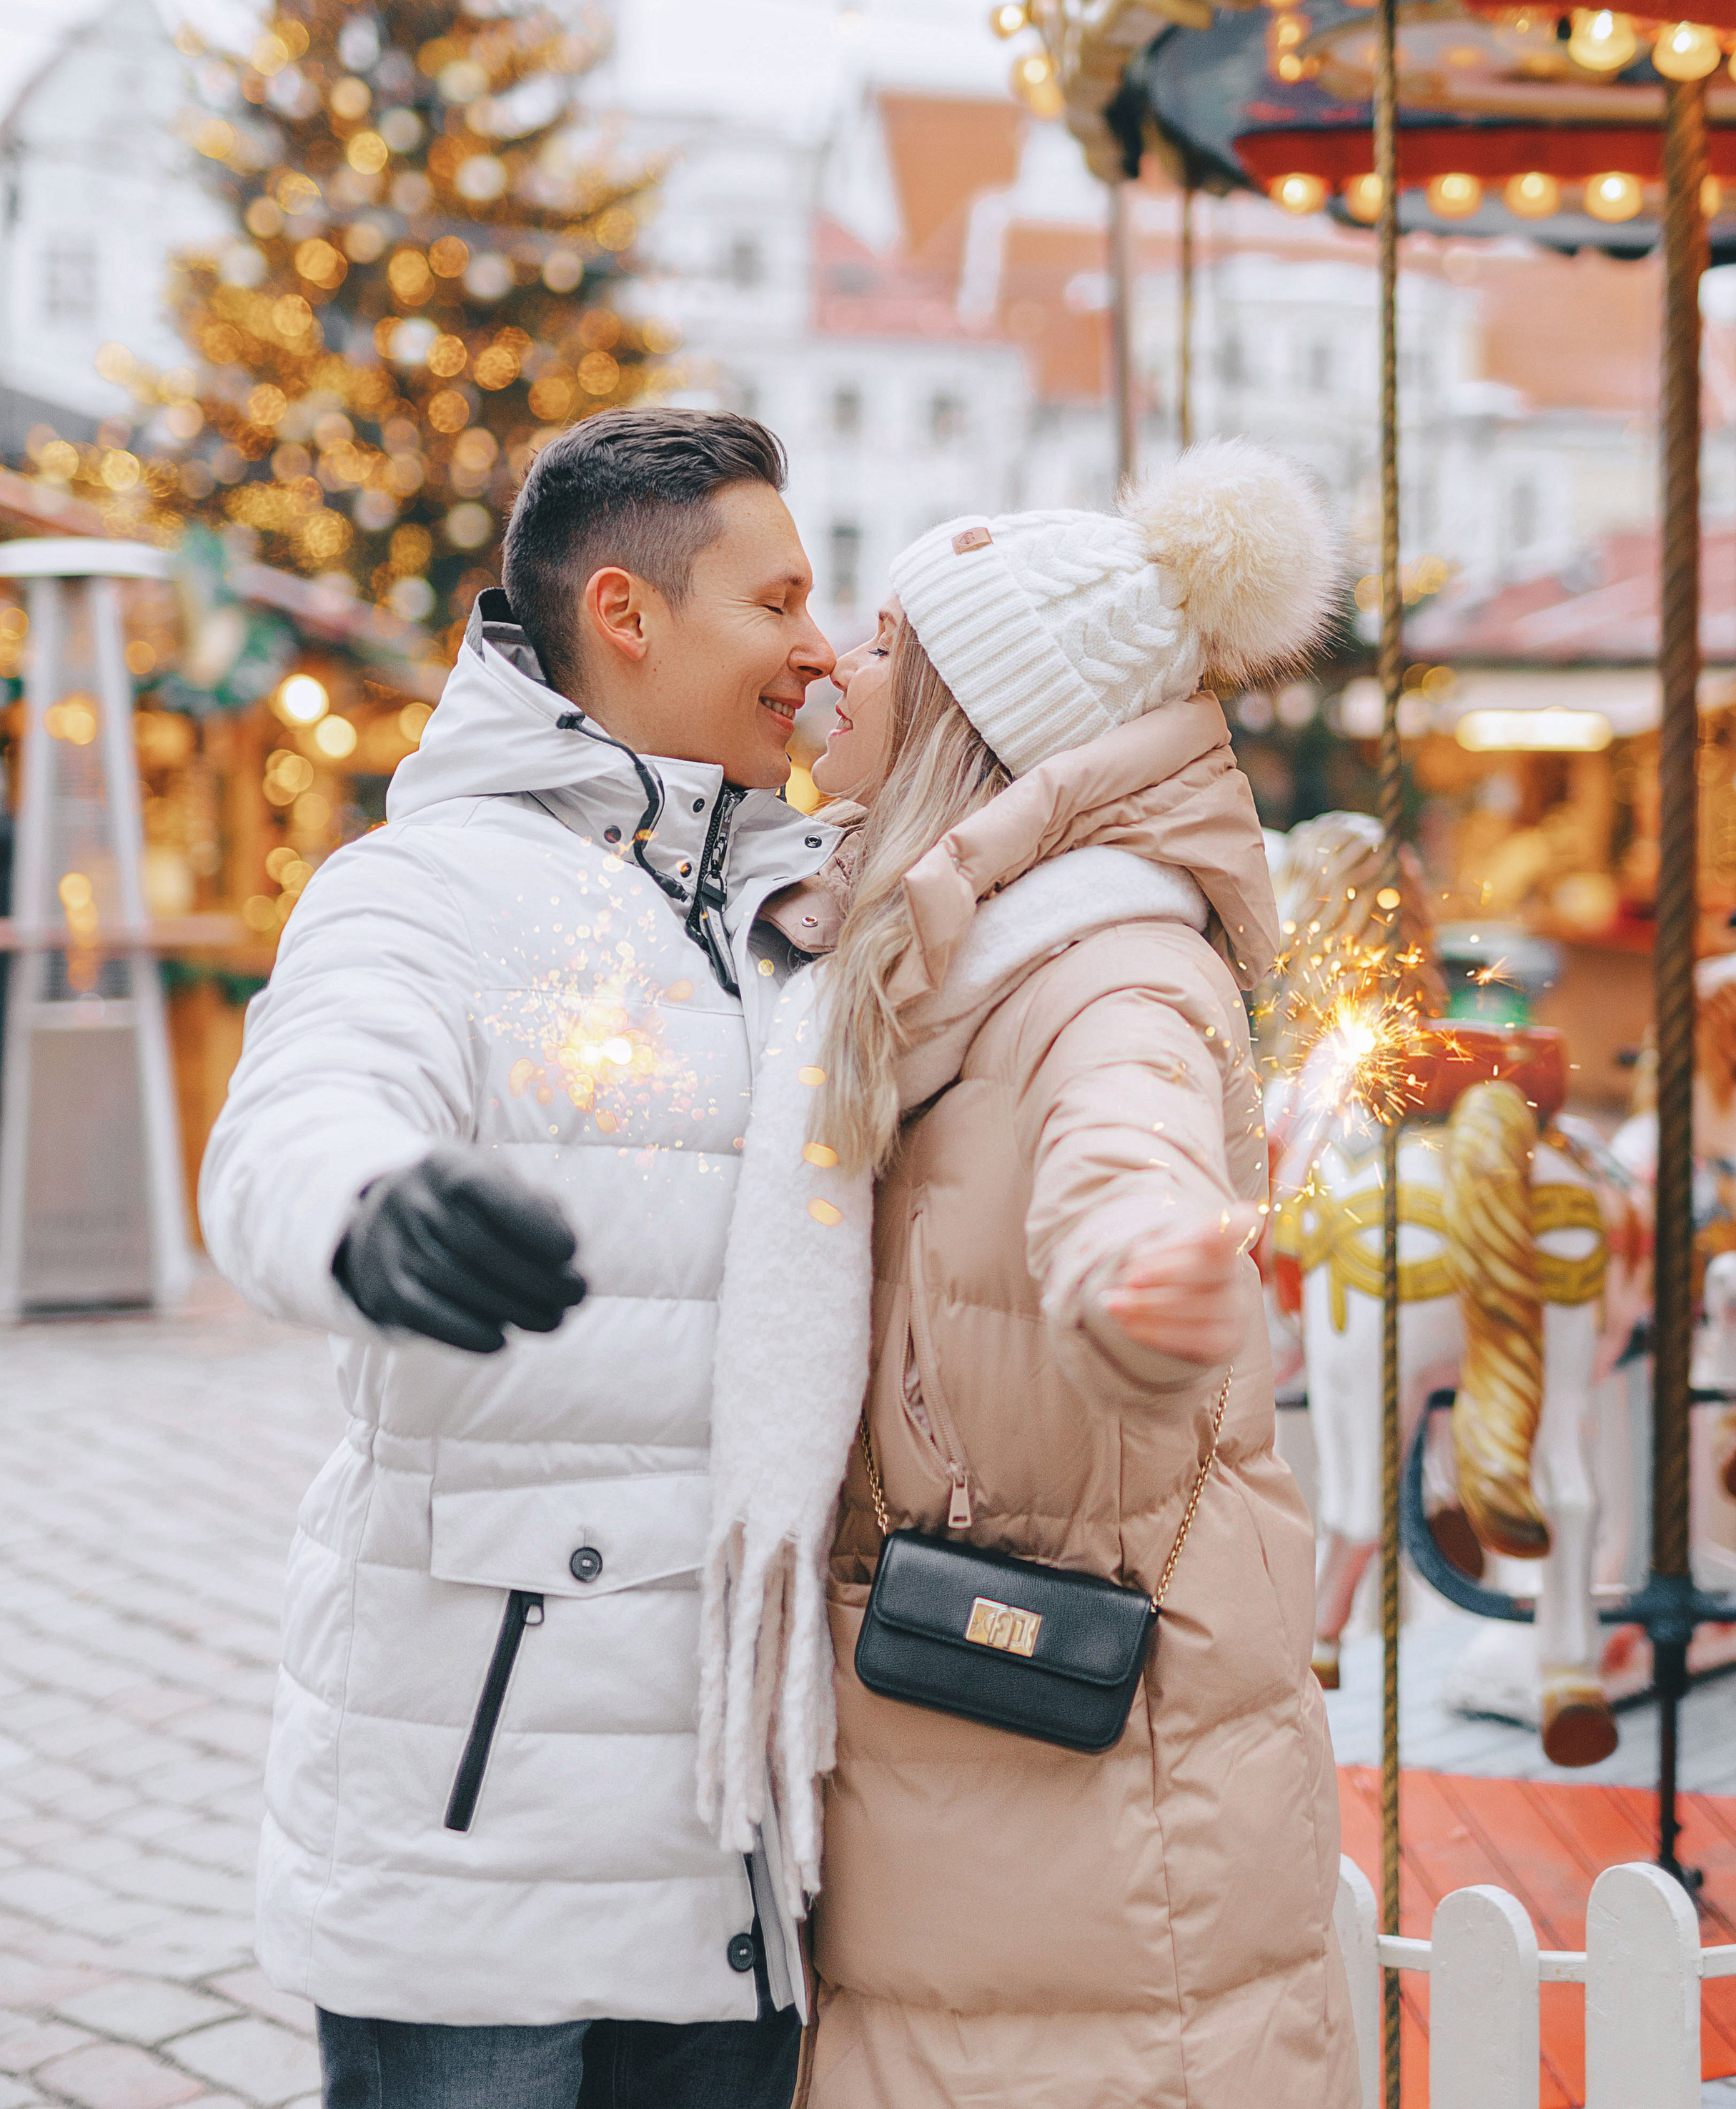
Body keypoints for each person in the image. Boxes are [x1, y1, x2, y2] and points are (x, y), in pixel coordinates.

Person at [696, 441, 1359, 2109]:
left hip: (1091, 1823)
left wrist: (1136, 1277)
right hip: (976, 1797)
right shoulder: (929, 958)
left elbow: (1122, 1146)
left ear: (963, 713)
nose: (834, 673)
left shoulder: (1098, 967)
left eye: (881, 648)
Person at [200, 410, 842, 2109]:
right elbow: (300, 1113)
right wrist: (370, 1211)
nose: (816, 646)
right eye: (776, 603)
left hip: (739, 1852)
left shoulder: (803, 915)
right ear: (626, 614)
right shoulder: (426, 889)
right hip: (477, 1830)